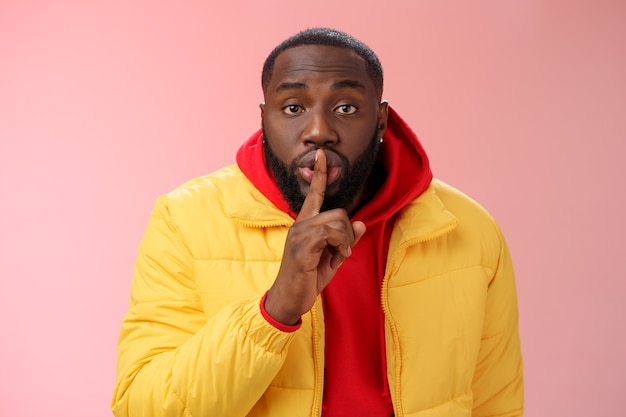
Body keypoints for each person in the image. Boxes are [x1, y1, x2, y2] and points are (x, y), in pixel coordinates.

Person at [112, 27, 523, 417]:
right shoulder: (185, 220)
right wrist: (275, 310)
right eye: (293, 107)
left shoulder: (468, 228)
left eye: (346, 107)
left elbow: (495, 402)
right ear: (264, 117)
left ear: (380, 121)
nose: (319, 131)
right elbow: (143, 406)